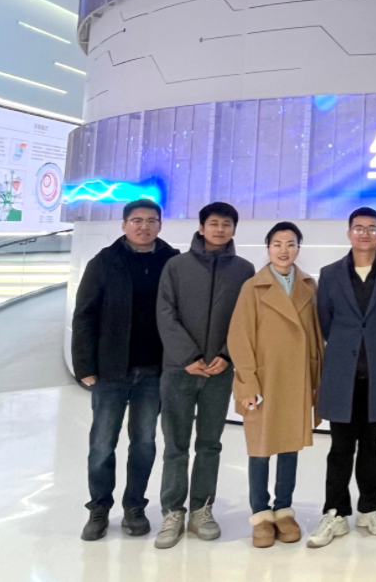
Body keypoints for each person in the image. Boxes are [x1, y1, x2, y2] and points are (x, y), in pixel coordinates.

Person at [72, 199, 179, 541]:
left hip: (154, 371)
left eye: (151, 220)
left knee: (144, 443)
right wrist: (84, 365)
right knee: (102, 444)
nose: (144, 226)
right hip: (110, 370)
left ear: (160, 225)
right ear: (124, 225)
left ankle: (134, 506)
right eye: (136, 220)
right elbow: (84, 315)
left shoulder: (172, 262)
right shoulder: (104, 262)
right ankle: (99, 507)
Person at [154, 202, 255, 548]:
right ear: (201, 227)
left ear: (234, 229)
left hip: (220, 372)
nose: (220, 229)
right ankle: (173, 511)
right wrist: (188, 356)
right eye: (214, 223)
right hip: (178, 369)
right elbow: (165, 313)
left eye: (226, 224)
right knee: (176, 445)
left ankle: (201, 509)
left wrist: (227, 355)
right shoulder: (176, 266)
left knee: (210, 444)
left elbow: (245, 319)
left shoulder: (244, 270)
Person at [308, 207, 376, 549]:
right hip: (342, 374)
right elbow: (325, 321)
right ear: (349, 232)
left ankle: (370, 509)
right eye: (359, 228)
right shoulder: (330, 273)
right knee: (340, 447)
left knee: (371, 445)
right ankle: (335, 512)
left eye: (371, 228)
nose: (365, 233)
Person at [228, 222, 324, 548]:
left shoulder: (309, 286)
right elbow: (239, 338)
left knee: (289, 446)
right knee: (259, 448)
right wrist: (247, 382)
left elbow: (316, 336)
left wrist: (316, 380)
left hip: (297, 378)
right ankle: (260, 514)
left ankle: (284, 510)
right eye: (277, 244)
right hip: (264, 380)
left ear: (299, 248)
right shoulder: (252, 287)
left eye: (291, 244)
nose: (284, 250)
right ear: (268, 248)